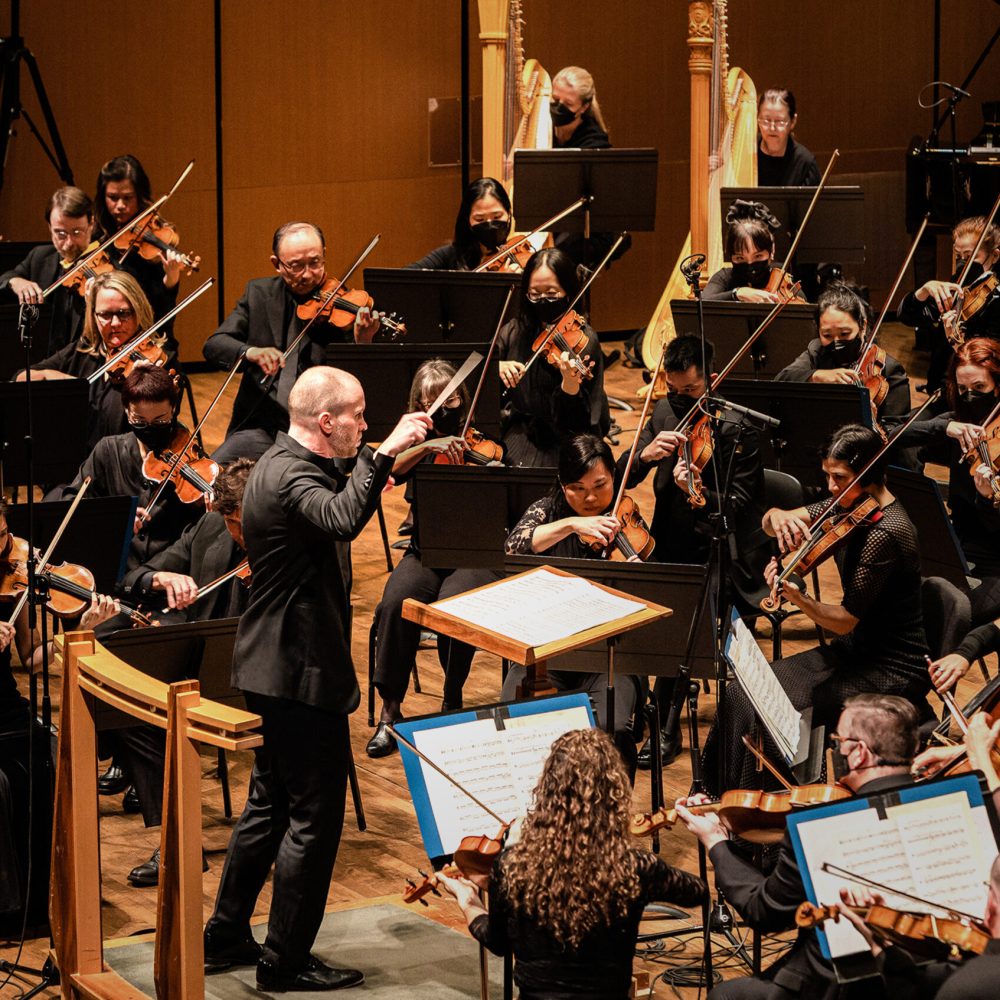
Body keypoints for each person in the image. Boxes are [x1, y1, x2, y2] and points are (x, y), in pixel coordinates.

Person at [203, 366, 431, 991]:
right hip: (297, 672)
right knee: (314, 815)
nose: (366, 422)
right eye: (357, 414)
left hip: (270, 663)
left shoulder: (278, 458)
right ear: (326, 422)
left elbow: (341, 489)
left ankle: (225, 934)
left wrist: (387, 461)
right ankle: (284, 959)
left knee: (270, 803)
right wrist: (382, 455)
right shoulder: (291, 476)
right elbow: (340, 517)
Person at [702, 424, 930, 795]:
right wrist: (777, 516)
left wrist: (798, 598)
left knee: (774, 714)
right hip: (856, 650)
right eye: (827, 475)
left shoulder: (886, 532)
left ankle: (770, 810)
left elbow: (844, 621)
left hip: (890, 664)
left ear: (868, 474)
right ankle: (722, 794)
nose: (830, 486)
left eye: (839, 477)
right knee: (741, 692)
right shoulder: (848, 506)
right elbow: (777, 517)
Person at [676, 693, 919, 1000]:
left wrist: (716, 842)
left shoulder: (819, 824)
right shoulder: (945, 801)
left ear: (858, 753)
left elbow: (765, 912)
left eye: (837, 741)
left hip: (842, 984)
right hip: (924, 973)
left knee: (726, 995)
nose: (835, 750)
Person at [437, 728, 706, 1000]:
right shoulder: (634, 868)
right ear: (615, 794)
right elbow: (698, 892)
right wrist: (703, 826)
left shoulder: (511, 867)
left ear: (547, 792)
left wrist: (469, 901)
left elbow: (498, 943)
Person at [96, 458, 255, 888]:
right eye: (229, 522)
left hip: (253, 677)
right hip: (197, 662)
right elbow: (136, 576)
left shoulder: (286, 547)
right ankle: (177, 836)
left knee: (151, 709)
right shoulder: (210, 528)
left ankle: (171, 829)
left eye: (241, 523)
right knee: (117, 675)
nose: (236, 533)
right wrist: (162, 577)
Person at [618, 335, 770, 768]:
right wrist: (644, 456)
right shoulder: (664, 411)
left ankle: (667, 724)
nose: (681, 401)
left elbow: (742, 504)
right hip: (668, 542)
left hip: (720, 551)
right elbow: (622, 477)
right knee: (634, 612)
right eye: (674, 389)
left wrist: (699, 492)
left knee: (683, 619)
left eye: (690, 391)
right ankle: (637, 712)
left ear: (713, 379)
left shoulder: (739, 428)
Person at [367, 360, 498, 758]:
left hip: (475, 553)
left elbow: (498, 478)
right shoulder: (410, 444)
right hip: (426, 550)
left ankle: (452, 699)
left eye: (450, 397)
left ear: (463, 398)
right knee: (394, 604)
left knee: (453, 609)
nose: (442, 407)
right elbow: (382, 470)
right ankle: (390, 714)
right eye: (428, 401)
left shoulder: (484, 438)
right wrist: (427, 445)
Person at [502, 434, 643, 769]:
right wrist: (569, 524)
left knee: (615, 728)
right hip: (548, 652)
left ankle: (611, 815)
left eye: (600, 485)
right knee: (515, 716)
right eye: (577, 488)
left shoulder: (626, 518)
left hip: (611, 655)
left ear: (614, 476)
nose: (591, 498)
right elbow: (513, 547)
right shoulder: (547, 512)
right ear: (562, 484)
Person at [202, 221, 381, 463]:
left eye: (315, 262)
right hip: (262, 427)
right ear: (276, 263)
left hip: (321, 433)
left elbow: (359, 382)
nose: (308, 274)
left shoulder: (345, 309)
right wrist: (251, 352)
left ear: (325, 255)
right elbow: (215, 345)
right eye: (296, 266)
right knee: (215, 473)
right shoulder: (258, 294)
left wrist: (364, 341)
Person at [49, 365, 203, 570]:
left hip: (170, 571)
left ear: (173, 409)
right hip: (115, 564)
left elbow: (196, 535)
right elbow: (71, 503)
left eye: (160, 421)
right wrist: (114, 519)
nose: (149, 429)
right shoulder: (107, 450)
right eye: (139, 421)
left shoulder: (191, 458)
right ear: (126, 411)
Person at [896, 338, 1000, 625]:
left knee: (941, 618)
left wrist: (986, 499)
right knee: (899, 602)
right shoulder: (959, 423)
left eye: (980, 388)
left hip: (995, 559)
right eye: (963, 389)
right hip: (955, 544)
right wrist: (942, 427)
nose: (970, 397)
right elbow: (888, 435)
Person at [16, 270, 173, 450]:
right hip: (76, 456)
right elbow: (21, 377)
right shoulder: (83, 350)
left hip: (124, 460)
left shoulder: (158, 360)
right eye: (105, 314)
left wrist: (144, 386)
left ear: (139, 310)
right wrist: (68, 382)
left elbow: (158, 432)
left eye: (123, 313)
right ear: (94, 315)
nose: (114, 323)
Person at [497, 247, 608, 467]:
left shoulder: (584, 339)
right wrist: (497, 366)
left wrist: (570, 385)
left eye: (551, 293)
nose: (542, 301)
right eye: (535, 294)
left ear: (568, 291)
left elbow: (580, 421)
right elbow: (481, 365)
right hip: (520, 429)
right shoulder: (515, 330)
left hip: (564, 436)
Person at [775, 282, 911, 427]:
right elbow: (781, 379)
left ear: (862, 326)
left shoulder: (890, 370)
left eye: (844, 334)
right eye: (827, 335)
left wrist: (870, 425)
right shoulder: (817, 351)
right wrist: (817, 375)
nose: (836, 342)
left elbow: (895, 432)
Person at [898, 215, 1000, 394]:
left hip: (972, 393)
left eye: (969, 257)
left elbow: (992, 363)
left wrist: (954, 339)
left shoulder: (996, 300)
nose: (962, 263)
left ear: (995, 255)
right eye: (958, 255)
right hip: (939, 387)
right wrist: (923, 290)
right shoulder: (955, 287)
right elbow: (907, 316)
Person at [548, 66, 631, 270]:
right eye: (554, 99)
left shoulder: (594, 144)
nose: (558, 107)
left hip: (585, 233)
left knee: (552, 259)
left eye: (567, 104)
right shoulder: (541, 130)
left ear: (583, 107)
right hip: (557, 227)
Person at [95, 155, 187, 326]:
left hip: (149, 333)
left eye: (128, 198)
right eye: (113, 198)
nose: (120, 205)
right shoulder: (97, 235)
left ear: (140, 196)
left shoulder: (155, 235)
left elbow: (162, 310)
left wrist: (171, 280)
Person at [0, 186, 94, 352]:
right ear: (50, 227)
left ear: (91, 224)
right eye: (61, 233)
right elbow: (7, 277)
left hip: (85, 360)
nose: (69, 243)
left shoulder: (110, 264)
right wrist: (16, 282)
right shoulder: (40, 257)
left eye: (77, 232)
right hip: (42, 357)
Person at [407, 177, 515, 271]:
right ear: (467, 220)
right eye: (480, 219)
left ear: (509, 214)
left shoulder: (519, 254)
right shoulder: (451, 254)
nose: (490, 224)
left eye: (497, 217)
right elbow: (405, 276)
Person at [704, 200, 784, 303]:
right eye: (740, 258)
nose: (750, 264)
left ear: (771, 251)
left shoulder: (781, 280)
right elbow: (703, 303)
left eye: (758, 256)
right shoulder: (725, 277)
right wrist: (738, 293)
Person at [755, 88, 821, 187]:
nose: (772, 128)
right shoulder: (745, 152)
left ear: (793, 121)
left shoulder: (805, 164)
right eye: (766, 120)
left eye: (779, 121)